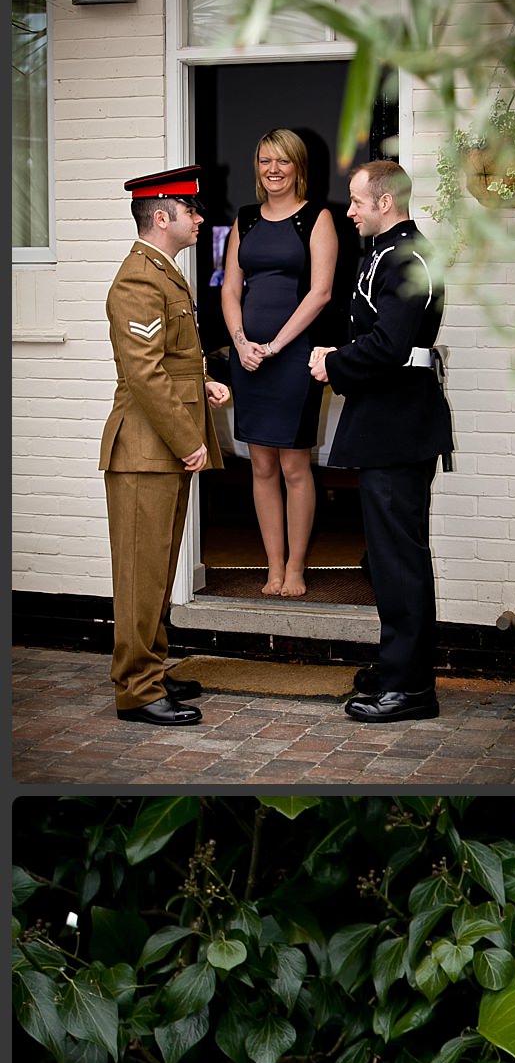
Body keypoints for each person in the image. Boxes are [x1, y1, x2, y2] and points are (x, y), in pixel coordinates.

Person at [309, 160, 453, 723]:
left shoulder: (407, 257)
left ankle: (411, 688)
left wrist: (334, 364)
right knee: (391, 560)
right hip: (387, 421)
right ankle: (399, 671)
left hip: (399, 425)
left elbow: (390, 345)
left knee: (398, 564)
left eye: (356, 202)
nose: (349, 211)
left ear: (385, 202)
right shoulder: (386, 252)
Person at [100, 165, 233, 727]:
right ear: (162, 216)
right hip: (145, 450)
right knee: (139, 574)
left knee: (155, 571)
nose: (200, 220)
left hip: (159, 450)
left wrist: (200, 382)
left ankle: (151, 668)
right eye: (191, 212)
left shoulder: (164, 273)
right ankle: (136, 689)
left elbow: (168, 363)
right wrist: (189, 438)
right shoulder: (138, 280)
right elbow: (145, 376)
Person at [223, 128, 337, 597]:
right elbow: (230, 288)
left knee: (294, 466)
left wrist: (273, 346)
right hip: (247, 355)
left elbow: (321, 292)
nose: (273, 170)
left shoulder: (317, 218)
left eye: (282, 161)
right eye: (265, 160)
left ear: (298, 167)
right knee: (260, 466)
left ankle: (295, 568)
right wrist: (242, 341)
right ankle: (272, 566)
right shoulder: (245, 220)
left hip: (293, 357)